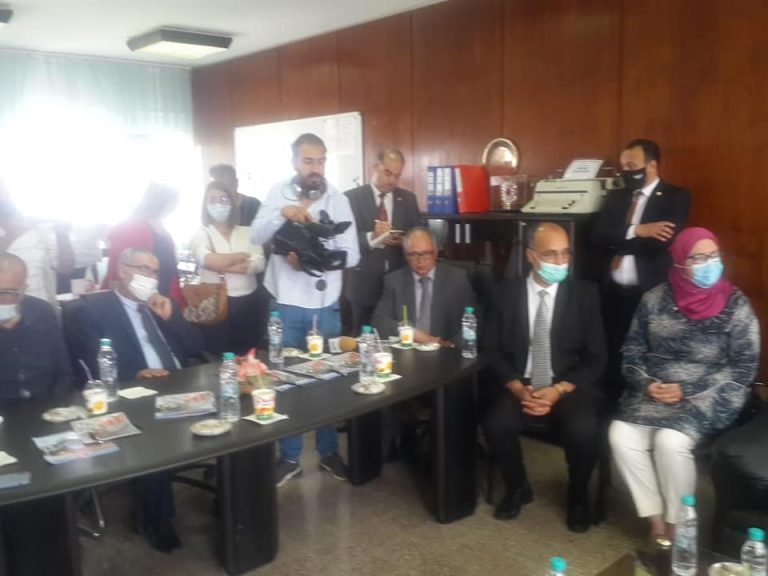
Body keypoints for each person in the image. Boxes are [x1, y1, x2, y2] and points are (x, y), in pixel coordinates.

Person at [609, 227, 759, 541]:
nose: (709, 264)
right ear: (678, 262)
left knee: (670, 442)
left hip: (709, 394)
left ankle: (679, 524)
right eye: (698, 258)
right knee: (620, 435)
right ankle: (655, 519)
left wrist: (687, 390)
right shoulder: (653, 299)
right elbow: (632, 350)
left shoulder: (735, 304)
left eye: (713, 256)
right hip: (655, 391)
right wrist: (647, 384)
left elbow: (744, 366)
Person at [68, 248, 205, 552]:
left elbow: (196, 348)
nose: (150, 277)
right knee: (154, 438)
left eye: (154, 271)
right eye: (142, 269)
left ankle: (233, 495)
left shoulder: (161, 304)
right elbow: (89, 364)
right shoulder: (94, 310)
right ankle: (156, 519)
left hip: (179, 382)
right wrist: (135, 374)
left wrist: (172, 318)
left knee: (236, 414)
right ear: (122, 269)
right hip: (134, 391)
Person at [251, 133, 359, 486]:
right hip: (285, 304)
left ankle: (328, 452)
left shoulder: (338, 200)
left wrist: (315, 259)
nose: (315, 168)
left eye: (320, 161)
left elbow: (352, 254)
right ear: (295, 162)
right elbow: (255, 235)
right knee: (285, 380)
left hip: (324, 307)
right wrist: (282, 214)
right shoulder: (277, 193)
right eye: (308, 161)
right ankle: (289, 457)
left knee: (328, 379)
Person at [483, 222, 607, 533]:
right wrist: (517, 389)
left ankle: (577, 497)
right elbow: (491, 351)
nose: (560, 261)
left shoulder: (585, 294)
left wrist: (559, 389)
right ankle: (517, 487)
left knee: (583, 429)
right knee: (496, 424)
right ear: (531, 256)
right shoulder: (504, 294)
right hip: (520, 382)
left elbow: (597, 358)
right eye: (551, 254)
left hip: (568, 384)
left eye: (565, 253)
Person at [592, 139, 691, 402]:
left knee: (646, 350)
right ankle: (611, 403)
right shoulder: (617, 196)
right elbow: (598, 236)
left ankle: (641, 400)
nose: (625, 171)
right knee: (612, 349)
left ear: (652, 165)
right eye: (623, 166)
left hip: (649, 292)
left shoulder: (676, 196)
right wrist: (639, 229)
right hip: (613, 291)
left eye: (631, 165)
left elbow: (661, 243)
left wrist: (620, 239)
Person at [344, 149, 423, 334]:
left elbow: (418, 234)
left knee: (397, 336)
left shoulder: (408, 199)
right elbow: (345, 241)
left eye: (397, 176)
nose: (392, 180)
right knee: (363, 339)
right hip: (363, 283)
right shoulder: (351, 198)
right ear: (375, 167)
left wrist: (403, 241)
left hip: (398, 283)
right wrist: (372, 237)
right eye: (388, 173)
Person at [189, 181, 266, 356]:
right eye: (212, 200)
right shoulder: (202, 234)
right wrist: (240, 256)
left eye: (223, 199)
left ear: (233, 202)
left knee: (249, 354)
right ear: (205, 204)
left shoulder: (248, 231)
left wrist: (222, 262)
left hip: (248, 302)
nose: (218, 204)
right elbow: (207, 261)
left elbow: (259, 263)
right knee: (219, 355)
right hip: (214, 302)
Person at [371, 227, 475, 345]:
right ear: (405, 255)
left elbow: (474, 321)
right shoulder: (395, 281)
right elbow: (379, 321)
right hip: (409, 349)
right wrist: (412, 333)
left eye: (426, 254)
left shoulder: (457, 278)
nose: (420, 261)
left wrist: (451, 345)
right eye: (413, 255)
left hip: (446, 350)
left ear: (435, 252)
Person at [0, 252, 72, 403]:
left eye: (8, 292)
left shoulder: (41, 311)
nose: (1, 299)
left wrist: (58, 407)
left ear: (23, 290)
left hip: (46, 405)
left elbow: (62, 370)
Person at [104, 183, 185, 308]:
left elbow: (171, 269)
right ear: (161, 201)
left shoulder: (163, 231)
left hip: (161, 297)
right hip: (136, 299)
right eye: (174, 202)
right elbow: (115, 271)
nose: (176, 206)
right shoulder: (130, 227)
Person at [0, 194, 74, 309]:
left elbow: (66, 268)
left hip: (39, 309)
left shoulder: (38, 234)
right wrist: (10, 236)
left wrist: (62, 235)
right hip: (4, 310)